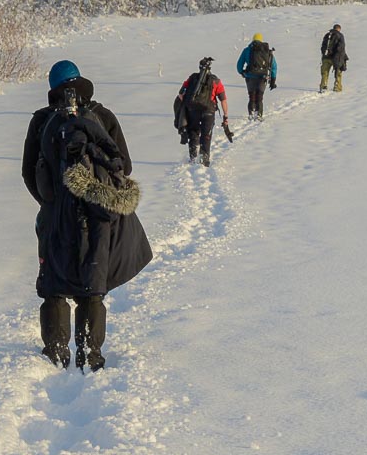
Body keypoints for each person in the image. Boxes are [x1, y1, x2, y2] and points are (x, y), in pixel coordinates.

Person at [21, 60, 153, 371]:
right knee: (93, 283)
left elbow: (29, 173)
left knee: (54, 282)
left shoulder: (42, 121)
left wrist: (50, 203)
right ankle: (90, 353)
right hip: (98, 215)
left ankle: (55, 353)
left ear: (52, 88)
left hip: (55, 217)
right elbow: (125, 166)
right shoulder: (103, 117)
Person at [175, 57, 229, 167]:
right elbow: (223, 99)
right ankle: (204, 159)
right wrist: (225, 115)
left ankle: (193, 156)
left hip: (193, 109)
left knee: (193, 131)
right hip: (209, 111)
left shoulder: (192, 78)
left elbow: (181, 94)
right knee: (206, 134)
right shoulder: (216, 81)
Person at [236, 32, 278, 120]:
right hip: (262, 77)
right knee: (260, 96)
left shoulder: (247, 50)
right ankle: (259, 114)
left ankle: (251, 113)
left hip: (250, 76)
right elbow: (274, 66)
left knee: (252, 95)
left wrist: (242, 72)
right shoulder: (267, 51)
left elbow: (239, 64)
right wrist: (273, 80)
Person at [319, 23, 348, 92]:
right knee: (338, 72)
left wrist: (324, 55)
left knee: (325, 72)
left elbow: (323, 46)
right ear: (339, 29)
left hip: (326, 57)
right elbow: (341, 48)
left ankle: (323, 86)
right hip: (336, 58)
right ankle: (337, 87)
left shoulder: (327, 35)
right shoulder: (340, 36)